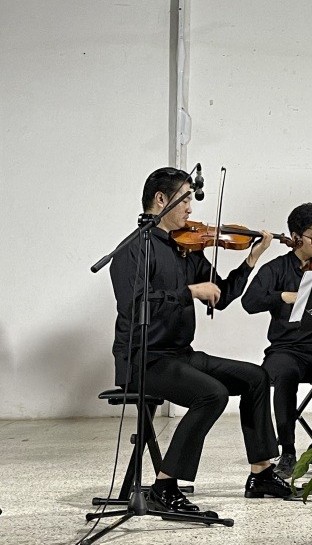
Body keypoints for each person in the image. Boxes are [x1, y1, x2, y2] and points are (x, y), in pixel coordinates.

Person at [110, 167, 292, 513]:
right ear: (161, 200)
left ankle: (262, 473)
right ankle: (164, 486)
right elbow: (135, 305)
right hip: (143, 359)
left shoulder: (185, 249)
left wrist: (251, 260)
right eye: (186, 198)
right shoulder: (134, 250)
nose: (191, 209)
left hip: (179, 354)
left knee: (256, 377)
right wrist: (190, 291)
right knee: (212, 394)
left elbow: (220, 296)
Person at [242, 203, 312, 479]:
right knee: (285, 376)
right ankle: (289, 451)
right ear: (296, 237)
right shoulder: (277, 269)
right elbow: (249, 301)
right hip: (285, 349)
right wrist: (282, 296)